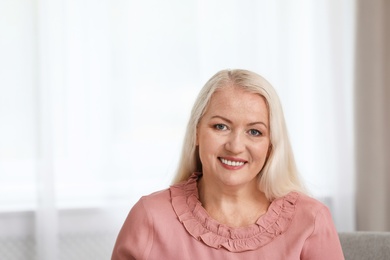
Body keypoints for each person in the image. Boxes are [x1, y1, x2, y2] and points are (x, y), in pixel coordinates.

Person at [111, 69, 344, 259]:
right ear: (196, 132)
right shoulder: (150, 216)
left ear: (270, 145)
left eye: (254, 131)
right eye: (221, 126)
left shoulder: (311, 220)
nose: (235, 146)